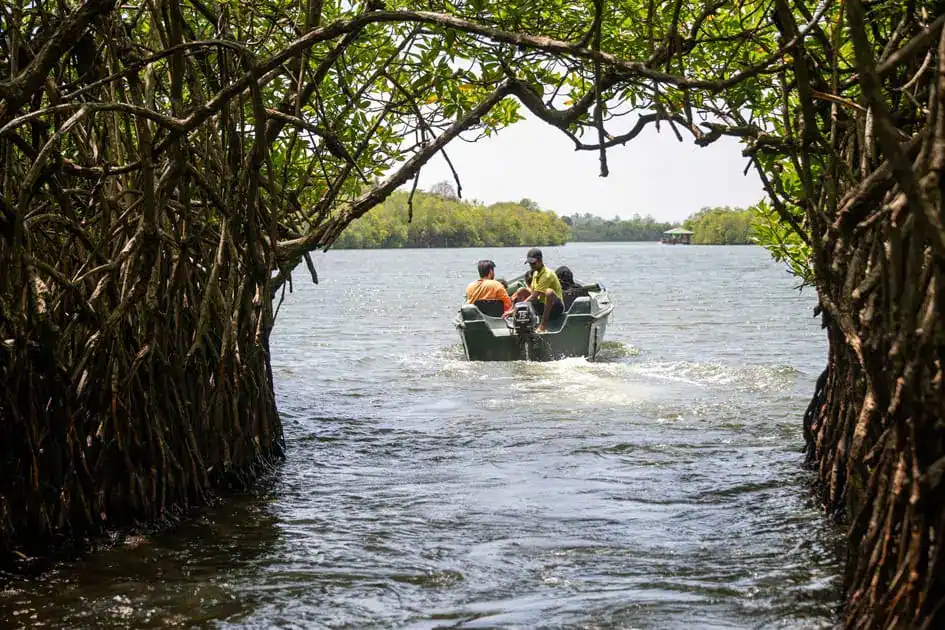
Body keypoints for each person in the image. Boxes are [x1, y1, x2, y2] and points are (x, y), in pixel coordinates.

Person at [508, 248, 563, 332]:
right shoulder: (535, 273)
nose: (531, 265)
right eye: (530, 263)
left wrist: (516, 309)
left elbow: (534, 296)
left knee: (549, 292)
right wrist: (517, 296)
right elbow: (532, 291)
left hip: (555, 308)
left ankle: (543, 325)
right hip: (541, 305)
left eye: (533, 263)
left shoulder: (547, 275)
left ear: (540, 261)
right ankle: (519, 320)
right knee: (522, 290)